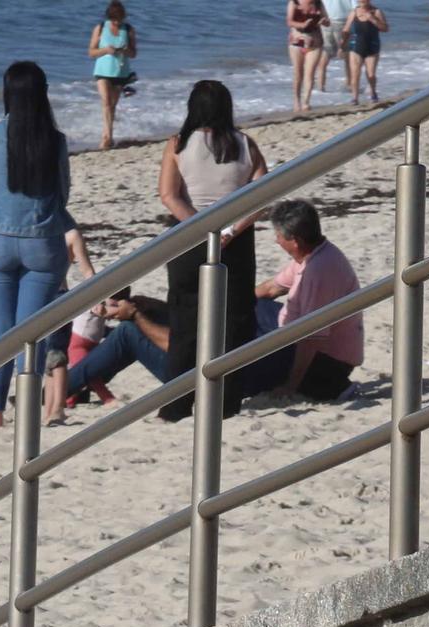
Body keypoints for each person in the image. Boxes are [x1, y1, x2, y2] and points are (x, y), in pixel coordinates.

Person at [0, 61, 93, 429]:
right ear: (42, 95)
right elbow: (63, 193)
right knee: (32, 333)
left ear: (7, 93)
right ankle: (27, 410)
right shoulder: (54, 141)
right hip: (42, 242)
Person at [156, 80, 268, 425]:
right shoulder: (245, 143)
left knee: (185, 322)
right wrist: (230, 229)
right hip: (235, 242)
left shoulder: (178, 144)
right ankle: (225, 403)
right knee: (234, 322)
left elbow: (169, 195)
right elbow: (262, 193)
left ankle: (177, 404)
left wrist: (201, 227)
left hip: (191, 239)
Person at [242, 199, 364, 402]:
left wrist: (291, 385)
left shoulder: (318, 271)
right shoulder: (312, 254)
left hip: (326, 361)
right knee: (247, 309)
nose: (276, 240)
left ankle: (329, 386)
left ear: (295, 241)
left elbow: (311, 338)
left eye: (279, 236)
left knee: (247, 377)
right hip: (294, 330)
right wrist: (228, 305)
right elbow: (271, 288)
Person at [41, 293, 173, 418]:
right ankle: (77, 387)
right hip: (184, 365)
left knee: (126, 331)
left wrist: (136, 314)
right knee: (128, 332)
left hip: (186, 372)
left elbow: (171, 344)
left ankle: (55, 392)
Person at [89, 2, 139, 151]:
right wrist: (105, 50)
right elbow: (91, 52)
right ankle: (107, 137)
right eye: (114, 19)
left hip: (120, 72)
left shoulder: (128, 29)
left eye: (119, 19)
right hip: (102, 71)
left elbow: (134, 53)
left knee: (112, 105)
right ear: (109, 17)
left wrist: (125, 50)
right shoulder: (100, 28)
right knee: (105, 101)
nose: (117, 22)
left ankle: (108, 135)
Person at [343, 0, 390, 104]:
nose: (362, 1)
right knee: (355, 73)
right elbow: (346, 29)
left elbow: (385, 28)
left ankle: (373, 93)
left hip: (372, 46)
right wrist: (342, 44)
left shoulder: (376, 12)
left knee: (371, 75)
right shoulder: (354, 12)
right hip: (356, 46)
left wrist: (373, 19)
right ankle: (354, 98)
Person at [288, 0, 326, 113]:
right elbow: (289, 22)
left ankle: (306, 102)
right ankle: (296, 101)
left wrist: (324, 21)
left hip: (315, 42)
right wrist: (303, 25)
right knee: (298, 73)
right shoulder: (294, 2)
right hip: (298, 40)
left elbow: (327, 21)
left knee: (310, 73)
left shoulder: (318, 3)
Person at [318, 0, 350, 92]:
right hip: (342, 20)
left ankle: (321, 86)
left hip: (326, 20)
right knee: (347, 55)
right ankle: (349, 84)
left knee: (325, 54)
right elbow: (355, 7)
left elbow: (317, 4)